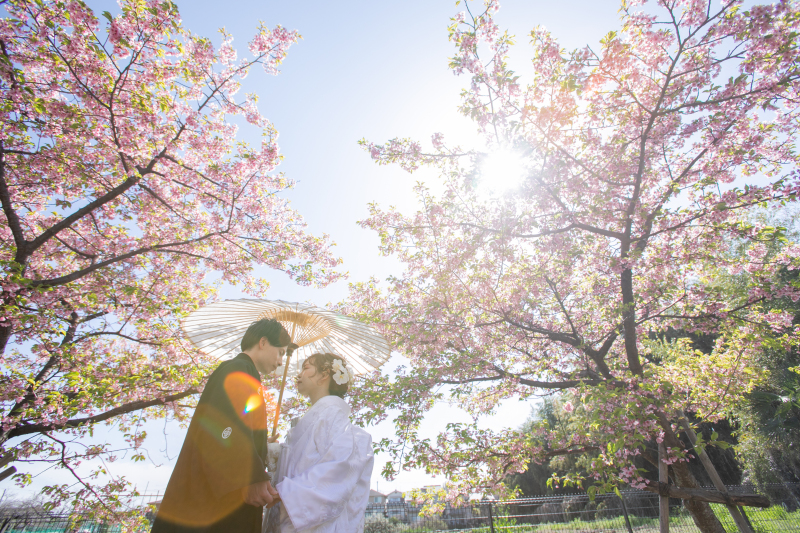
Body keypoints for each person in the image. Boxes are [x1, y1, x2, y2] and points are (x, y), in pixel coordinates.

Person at [151, 318, 290, 533]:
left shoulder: (242, 371)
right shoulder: (239, 369)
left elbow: (232, 426)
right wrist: (251, 476)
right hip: (215, 499)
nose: (281, 362)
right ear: (263, 342)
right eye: (280, 352)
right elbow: (224, 428)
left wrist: (260, 442)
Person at [265, 353, 374, 533]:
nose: (299, 374)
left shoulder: (333, 417)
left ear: (324, 375)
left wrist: (288, 493)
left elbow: (339, 468)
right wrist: (273, 451)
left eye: (306, 368)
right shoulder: (315, 419)